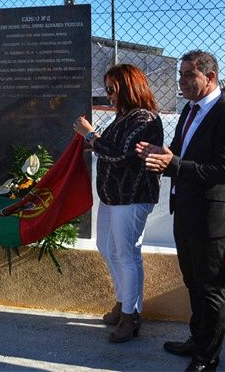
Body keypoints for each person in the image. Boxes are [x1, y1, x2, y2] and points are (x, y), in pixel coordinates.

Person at [135, 50, 225, 371]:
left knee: (210, 289)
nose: (181, 82)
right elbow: (181, 155)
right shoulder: (189, 110)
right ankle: (197, 340)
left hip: (212, 218)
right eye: (180, 75)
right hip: (184, 211)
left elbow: (224, 170)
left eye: (188, 75)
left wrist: (174, 164)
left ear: (210, 77)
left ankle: (207, 357)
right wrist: (161, 153)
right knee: (193, 282)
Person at [73, 63, 163, 343]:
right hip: (113, 198)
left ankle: (130, 315)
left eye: (112, 89)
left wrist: (90, 135)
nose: (109, 95)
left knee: (127, 254)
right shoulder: (123, 118)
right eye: (107, 89)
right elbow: (109, 147)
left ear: (127, 87)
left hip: (132, 197)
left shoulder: (144, 119)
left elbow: (122, 154)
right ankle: (126, 302)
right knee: (107, 247)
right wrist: (92, 142)